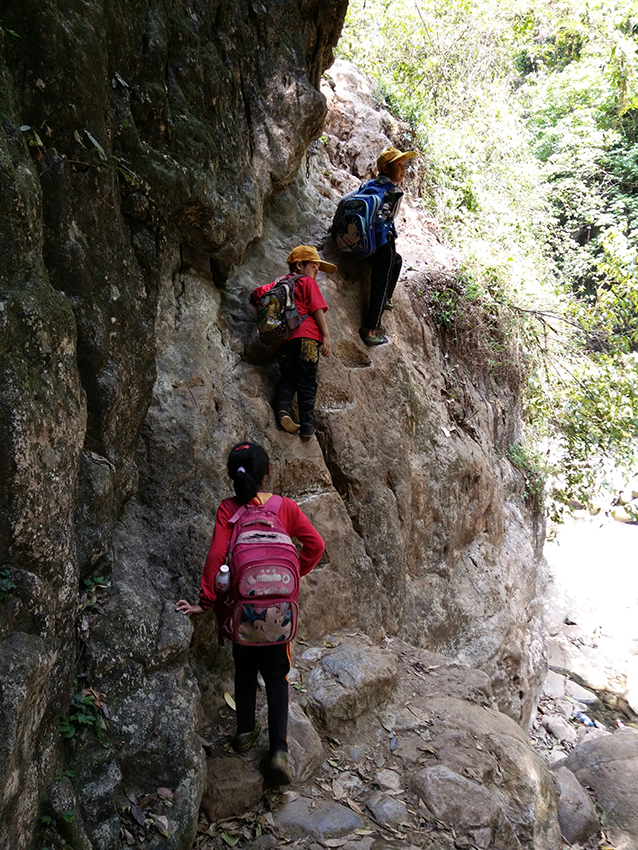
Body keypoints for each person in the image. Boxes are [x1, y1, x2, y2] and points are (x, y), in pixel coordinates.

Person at [176, 442, 325, 785]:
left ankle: (244, 734)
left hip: (241, 610)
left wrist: (206, 601)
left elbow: (216, 557)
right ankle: (278, 752)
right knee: (277, 675)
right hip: (279, 612)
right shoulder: (284, 507)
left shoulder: (228, 509)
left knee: (243, 668)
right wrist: (288, 581)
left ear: (233, 476)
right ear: (267, 473)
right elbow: (315, 545)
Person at [251, 246, 335, 440]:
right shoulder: (307, 282)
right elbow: (316, 309)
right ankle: (307, 427)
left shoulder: (277, 285)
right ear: (299, 265)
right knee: (306, 380)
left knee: (288, 377)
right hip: (307, 339)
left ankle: (283, 412)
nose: (316, 273)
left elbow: (256, 294)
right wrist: (326, 336)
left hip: (281, 343)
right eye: (314, 267)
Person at [359, 145, 417, 346]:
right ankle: (371, 330)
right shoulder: (394, 191)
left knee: (398, 261)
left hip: (364, 242)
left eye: (404, 165)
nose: (403, 169)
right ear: (385, 168)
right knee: (380, 283)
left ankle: (388, 299)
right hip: (384, 242)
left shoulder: (368, 185)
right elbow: (389, 219)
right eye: (399, 165)